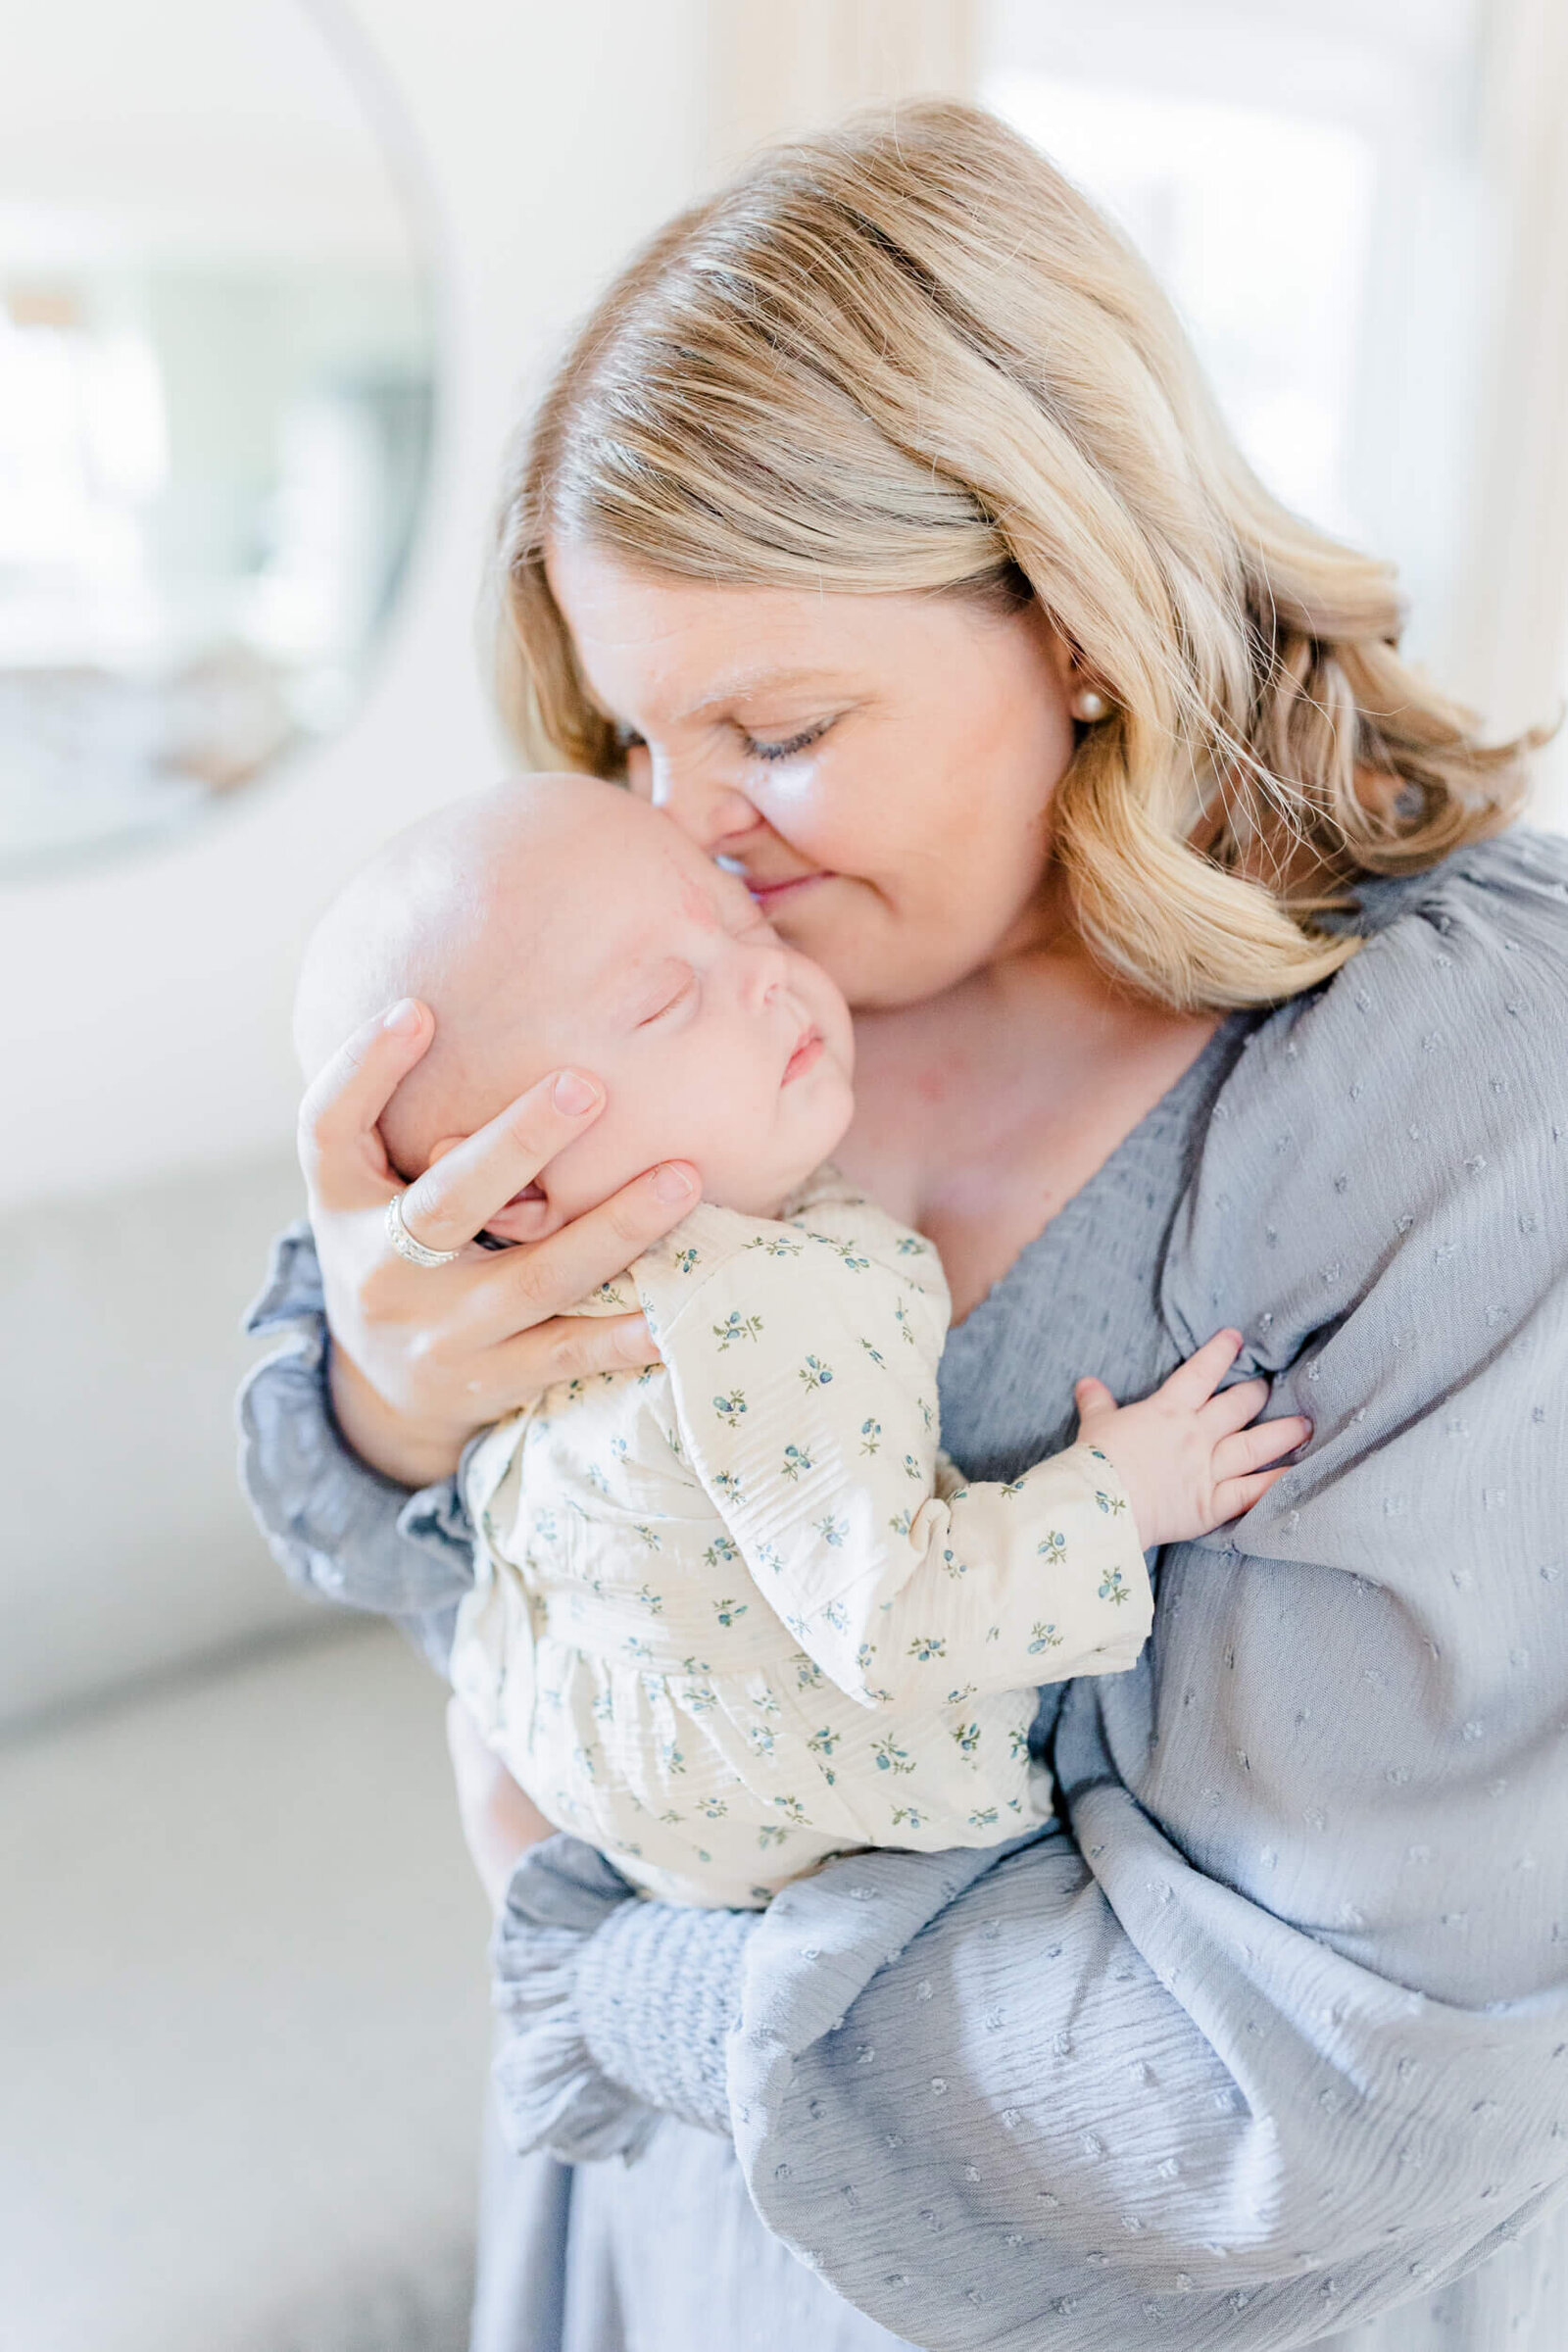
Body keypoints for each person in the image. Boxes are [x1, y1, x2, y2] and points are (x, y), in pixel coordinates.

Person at [241, 101, 1568, 2352]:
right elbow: (474, 1537)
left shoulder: (1451, 1089)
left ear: (1071, 617)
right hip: (661, 2233)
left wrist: (614, 1959)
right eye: (633, 737)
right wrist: (389, 1385)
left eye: (778, 725)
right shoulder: (717, 961)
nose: (692, 839)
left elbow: (1326, 2094)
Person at [290, 775, 1310, 1913]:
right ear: (510, 1189)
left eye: (746, 923)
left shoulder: (548, 1300)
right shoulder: (764, 1305)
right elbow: (894, 1627)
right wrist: (1122, 1494)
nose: (765, 975)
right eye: (665, 1000)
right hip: (835, 1851)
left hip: (585, 1768)